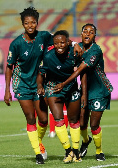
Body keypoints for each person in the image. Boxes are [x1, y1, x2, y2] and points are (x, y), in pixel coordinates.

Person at [4, 7, 83, 164]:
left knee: (44, 120)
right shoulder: (16, 44)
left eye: (33, 22)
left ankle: (38, 142)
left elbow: (62, 39)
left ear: (37, 23)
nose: (30, 25)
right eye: (27, 23)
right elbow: (9, 66)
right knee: (30, 118)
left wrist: (74, 43)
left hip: (40, 84)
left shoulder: (44, 36)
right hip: (22, 85)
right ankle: (38, 152)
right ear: (23, 24)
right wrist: (7, 90)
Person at [54, 23, 113, 161]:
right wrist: (73, 42)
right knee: (81, 124)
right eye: (85, 31)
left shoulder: (95, 51)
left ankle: (99, 151)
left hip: (100, 90)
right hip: (84, 89)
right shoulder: (78, 47)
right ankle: (86, 141)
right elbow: (61, 40)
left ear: (94, 36)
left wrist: (64, 84)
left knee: (94, 125)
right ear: (81, 34)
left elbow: (81, 70)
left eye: (91, 32)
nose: (87, 34)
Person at [37, 30, 85, 163]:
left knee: (74, 121)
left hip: (71, 87)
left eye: (63, 42)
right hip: (53, 87)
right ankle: (68, 151)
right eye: (56, 43)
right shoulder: (47, 57)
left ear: (68, 42)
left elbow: (83, 71)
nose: (60, 45)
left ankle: (76, 152)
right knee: (58, 120)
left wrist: (84, 91)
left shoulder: (75, 53)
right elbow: (41, 73)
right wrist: (40, 86)